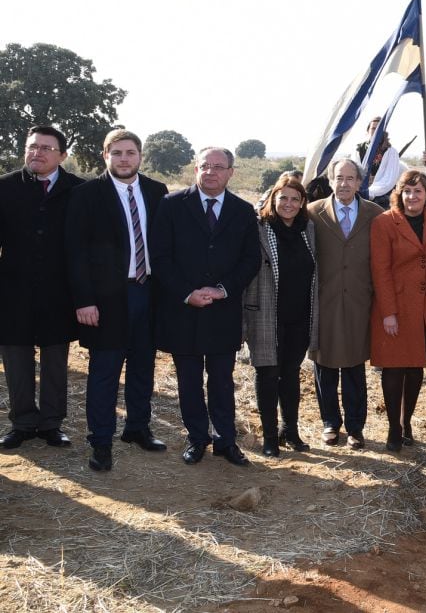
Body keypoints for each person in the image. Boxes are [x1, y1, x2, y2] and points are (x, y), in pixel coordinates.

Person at [65, 129, 169, 471]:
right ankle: (101, 441)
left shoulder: (157, 192)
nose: (124, 159)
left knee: (143, 367)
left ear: (140, 156)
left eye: (130, 153)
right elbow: (75, 253)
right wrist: (84, 300)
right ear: (105, 156)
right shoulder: (86, 194)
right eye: (117, 153)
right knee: (105, 373)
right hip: (106, 299)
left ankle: (137, 428)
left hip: (147, 293)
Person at [151, 147, 261, 467]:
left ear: (231, 172)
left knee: (222, 380)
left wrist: (222, 290)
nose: (210, 172)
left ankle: (226, 441)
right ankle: (197, 438)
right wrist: (187, 293)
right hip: (183, 310)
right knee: (188, 380)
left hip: (223, 311)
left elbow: (250, 259)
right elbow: (160, 257)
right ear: (195, 169)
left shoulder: (242, 210)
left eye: (218, 167)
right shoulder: (171, 205)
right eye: (205, 166)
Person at [0, 126, 84, 451]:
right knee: (17, 362)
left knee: (55, 362)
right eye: (32, 147)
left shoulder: (79, 190)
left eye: (46, 148)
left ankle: (51, 424)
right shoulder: (5, 187)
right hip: (12, 293)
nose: (37, 152)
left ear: (62, 155)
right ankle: (21, 423)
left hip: (58, 294)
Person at [307, 158, 382, 449]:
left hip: (359, 303)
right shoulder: (313, 213)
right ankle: (330, 423)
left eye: (351, 178)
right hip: (323, 302)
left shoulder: (375, 214)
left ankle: (355, 427)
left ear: (359, 183)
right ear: (331, 180)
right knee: (324, 364)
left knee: (353, 366)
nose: (344, 184)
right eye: (339, 178)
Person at [242, 174, 318, 457]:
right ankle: (270, 437)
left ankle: (291, 430)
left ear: (302, 203)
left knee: (290, 374)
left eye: (295, 199)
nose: (288, 203)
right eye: (283, 197)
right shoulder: (259, 229)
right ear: (273, 199)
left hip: (299, 316)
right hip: (265, 315)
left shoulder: (307, 230)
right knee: (268, 373)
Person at [369, 170, 426, 451]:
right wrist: (388, 311)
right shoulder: (383, 223)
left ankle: (407, 421)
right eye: (407, 192)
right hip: (396, 306)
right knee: (394, 365)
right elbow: (380, 270)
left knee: (416, 366)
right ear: (398, 194)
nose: (413, 197)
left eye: (418, 191)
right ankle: (393, 427)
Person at [356, 117, 406, 209]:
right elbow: (355, 172)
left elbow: (388, 180)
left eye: (379, 129)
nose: (376, 131)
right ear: (368, 131)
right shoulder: (358, 149)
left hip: (381, 196)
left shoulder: (391, 152)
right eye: (373, 128)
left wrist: (370, 192)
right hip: (360, 192)